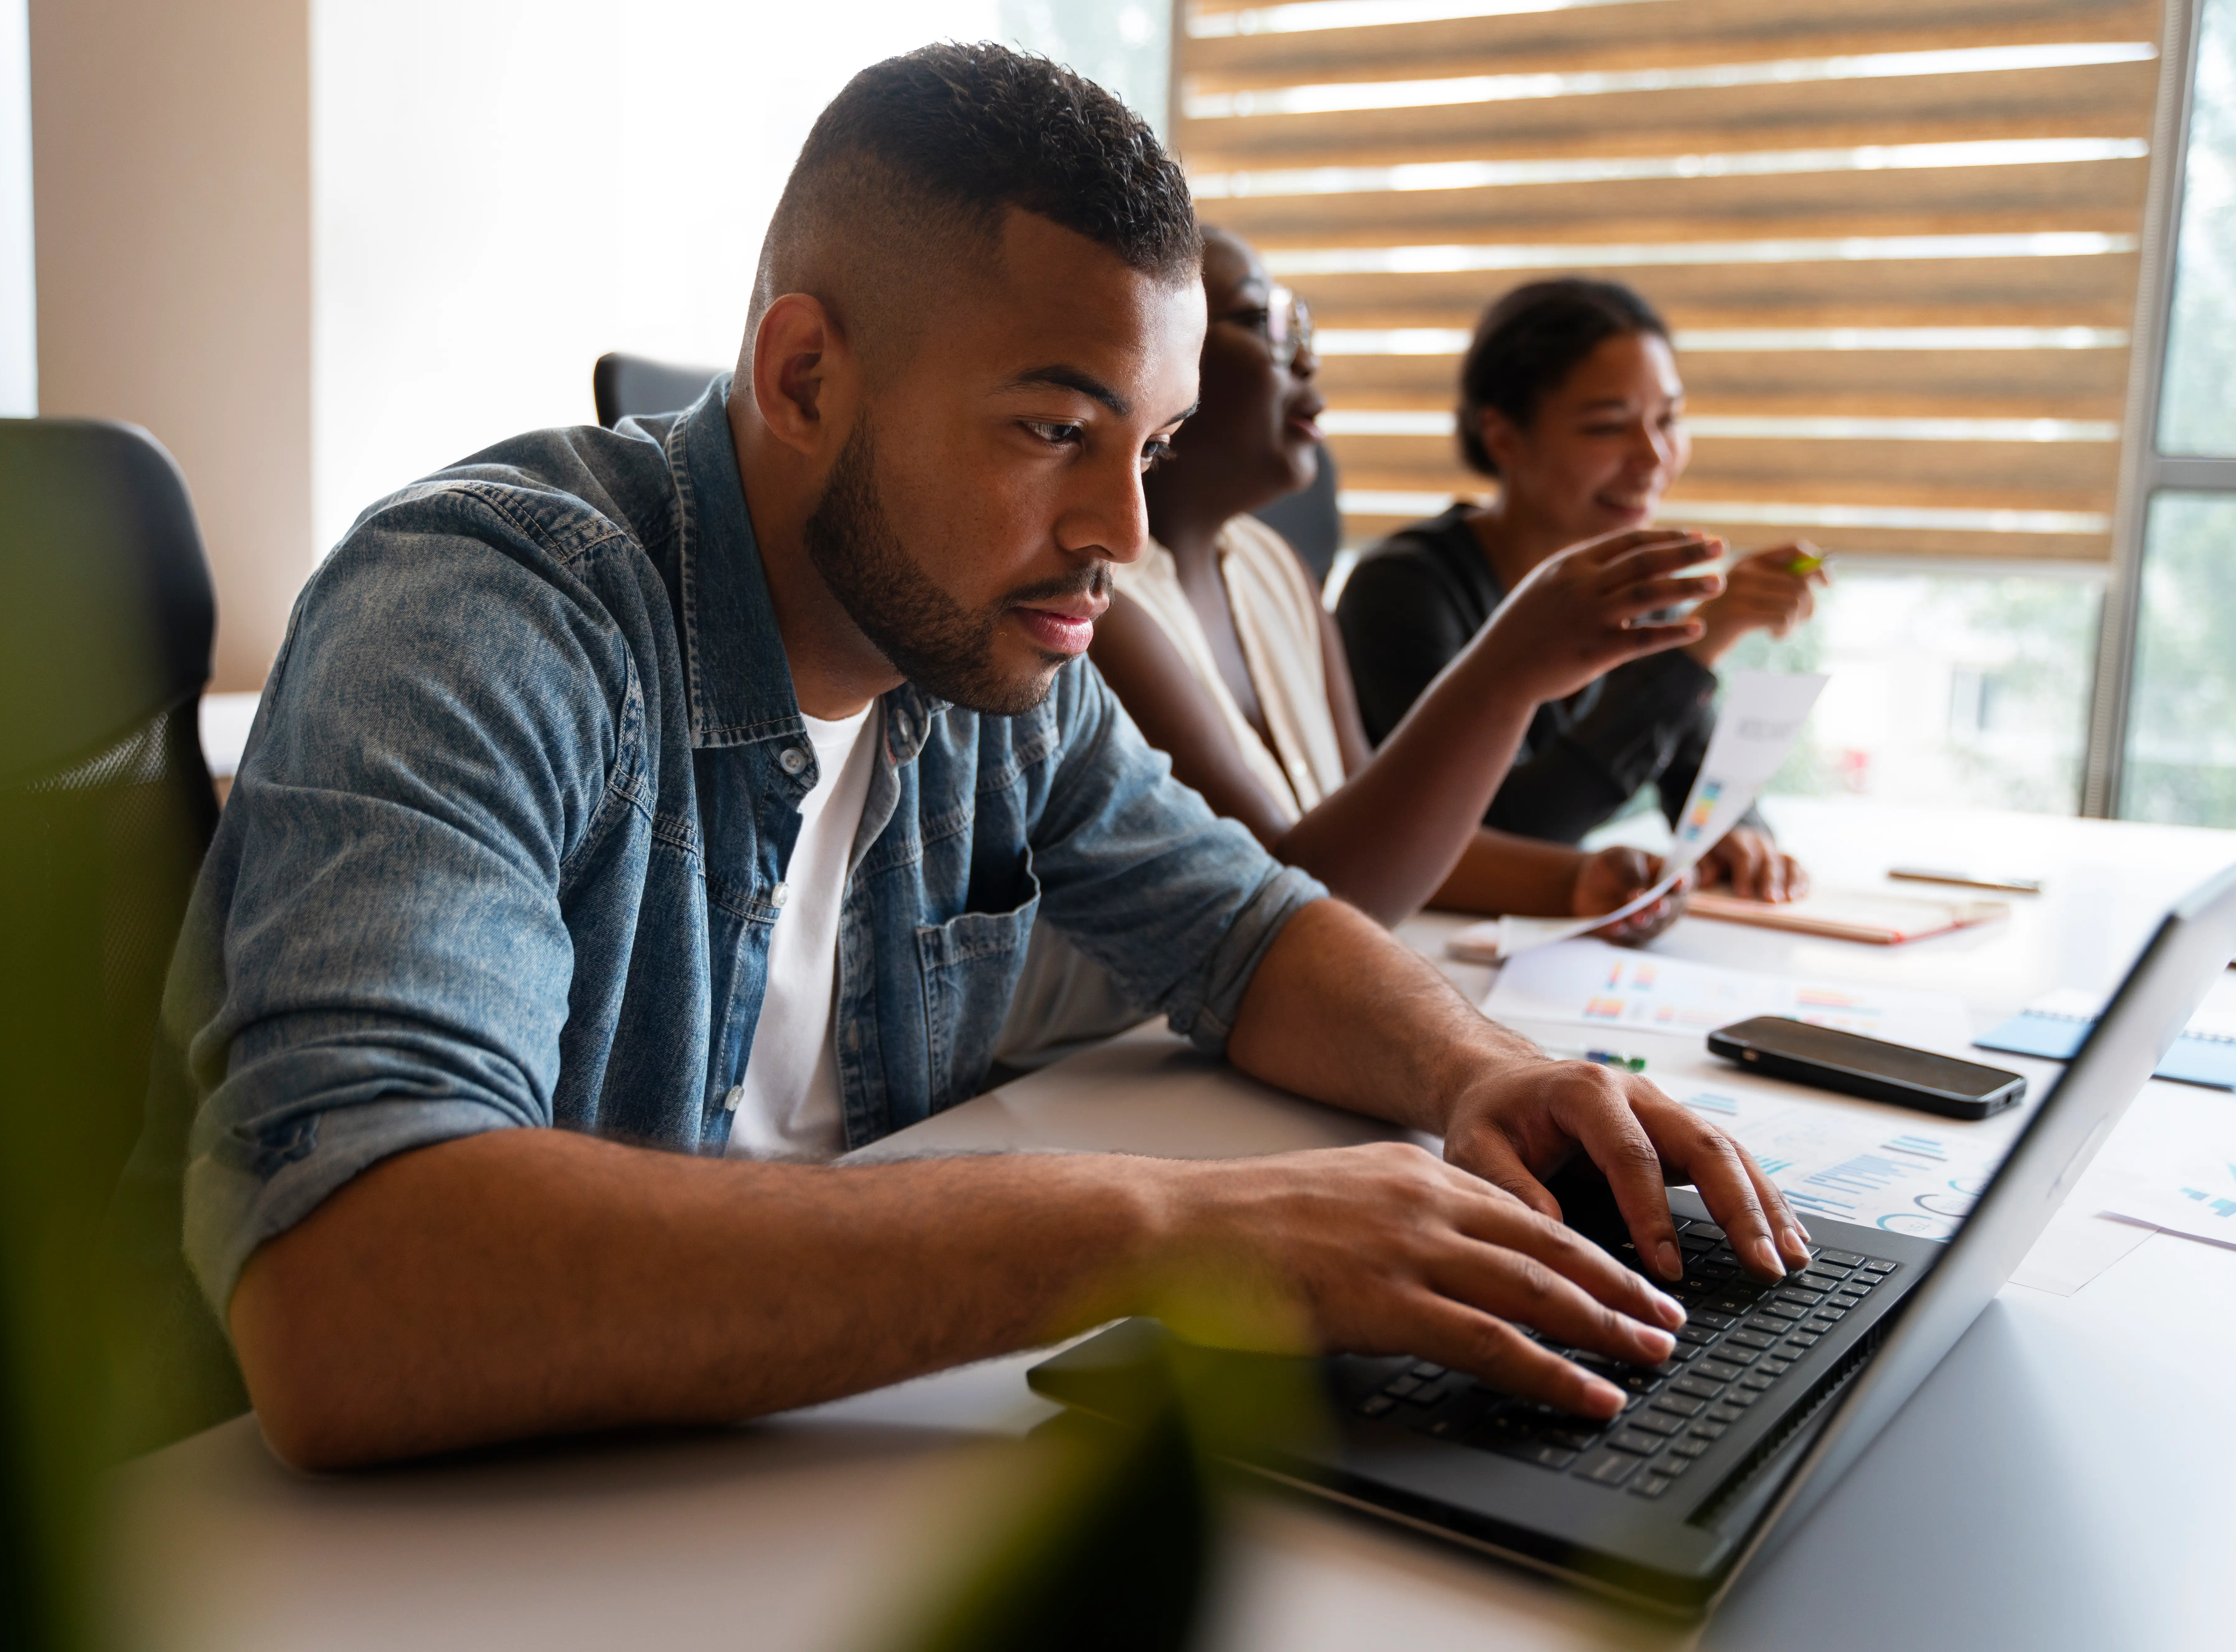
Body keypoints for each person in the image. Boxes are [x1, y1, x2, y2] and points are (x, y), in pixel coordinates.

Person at [119, 45, 1807, 1472]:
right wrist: (1173, 1227)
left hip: (770, 1476)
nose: (1118, 532)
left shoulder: (980, 662)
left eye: (1145, 445)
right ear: (801, 375)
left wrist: (1468, 1071)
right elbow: (353, 1286)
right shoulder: (486, 612)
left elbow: (1244, 924)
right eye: (1053, 430)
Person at [1088, 227, 1721, 936]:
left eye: (1302, 322)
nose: (1307, 355)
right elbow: (1283, 904)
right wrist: (1508, 668)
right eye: (1262, 322)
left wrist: (1579, 880)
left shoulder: (1277, 570)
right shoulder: (1101, 609)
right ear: (1150, 354)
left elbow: (1377, 822)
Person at [1335, 278, 1826, 901]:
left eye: (1668, 419)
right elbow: (1501, 834)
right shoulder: (1403, 591)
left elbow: (1695, 783)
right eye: (1606, 427)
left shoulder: (1635, 589)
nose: (1653, 455)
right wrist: (1695, 650)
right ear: (1503, 437)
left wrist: (1735, 839)